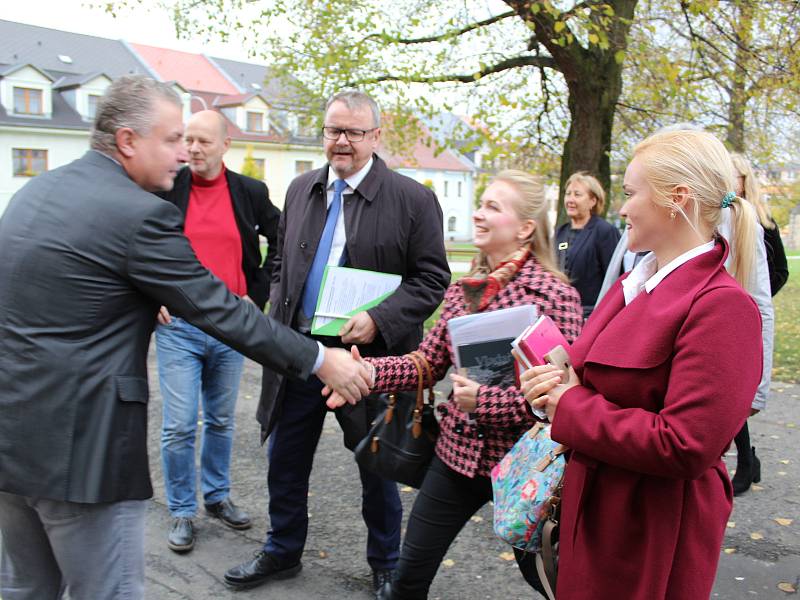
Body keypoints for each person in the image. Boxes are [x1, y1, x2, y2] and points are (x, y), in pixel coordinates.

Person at [0, 75, 370, 600]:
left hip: (11, 441)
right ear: (128, 141)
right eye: (173, 138)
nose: (185, 152)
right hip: (81, 455)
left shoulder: (37, 189)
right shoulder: (137, 214)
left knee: (25, 588)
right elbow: (221, 309)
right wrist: (320, 359)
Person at [222, 90, 450, 598]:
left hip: (369, 359)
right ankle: (282, 550)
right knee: (285, 457)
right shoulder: (302, 187)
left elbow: (433, 279)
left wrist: (379, 319)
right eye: (332, 131)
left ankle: (386, 564)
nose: (340, 141)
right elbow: (281, 260)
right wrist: (277, 312)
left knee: (378, 464)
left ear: (375, 135)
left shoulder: (412, 198)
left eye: (352, 132)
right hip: (301, 351)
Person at [521, 129, 764, 599]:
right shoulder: (638, 280)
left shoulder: (722, 307)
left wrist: (568, 405)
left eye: (632, 194)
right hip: (597, 510)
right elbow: (588, 378)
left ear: (677, 199)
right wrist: (550, 387)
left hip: (649, 530)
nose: (622, 208)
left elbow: (686, 444)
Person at [329, 170, 584, 599]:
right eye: (480, 204)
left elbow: (563, 396)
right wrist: (369, 374)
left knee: (554, 580)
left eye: (492, 207)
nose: (478, 214)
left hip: (527, 465)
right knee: (407, 579)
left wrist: (484, 400)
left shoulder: (554, 294)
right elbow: (427, 362)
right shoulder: (463, 291)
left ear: (524, 227)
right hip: (456, 458)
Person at [154, 110, 281, 552]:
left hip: (232, 328)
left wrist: (257, 292)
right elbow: (137, 245)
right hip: (180, 328)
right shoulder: (167, 188)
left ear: (226, 144)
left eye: (204, 141)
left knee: (222, 420)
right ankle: (183, 511)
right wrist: (151, 297)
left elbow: (282, 239)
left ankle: (216, 497)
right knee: (180, 425)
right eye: (188, 139)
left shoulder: (249, 192)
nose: (193, 149)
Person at [729, 152, 788, 495]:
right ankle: (746, 459)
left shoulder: (762, 221)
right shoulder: (720, 218)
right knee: (732, 389)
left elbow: (780, 270)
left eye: (734, 175)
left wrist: (753, 301)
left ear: (744, 179)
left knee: (744, 391)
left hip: (750, 312)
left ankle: (747, 461)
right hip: (727, 313)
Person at [555, 171, 620, 319]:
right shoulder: (560, 233)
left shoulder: (604, 231)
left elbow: (614, 279)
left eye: (577, 195)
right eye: (568, 194)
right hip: (562, 316)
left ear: (592, 201)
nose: (570, 199)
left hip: (591, 317)